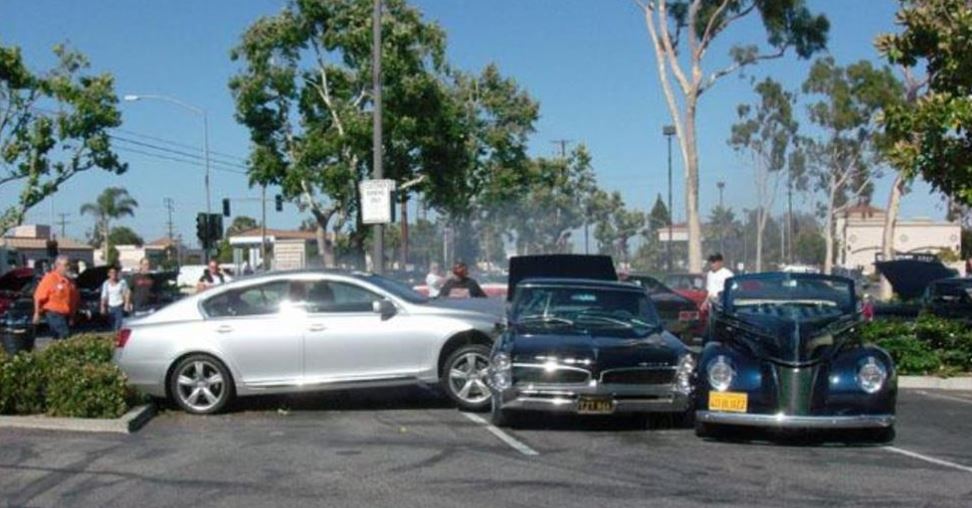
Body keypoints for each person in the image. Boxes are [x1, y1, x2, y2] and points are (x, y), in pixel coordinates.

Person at [32, 255, 80, 340]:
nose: (68, 267)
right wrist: (37, 313)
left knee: (58, 338)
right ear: (58, 266)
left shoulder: (70, 281)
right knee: (64, 335)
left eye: (69, 265)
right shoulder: (50, 278)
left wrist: (72, 316)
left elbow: (73, 299)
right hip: (54, 313)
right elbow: (38, 296)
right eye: (66, 265)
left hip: (66, 313)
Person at [100, 265, 130, 331]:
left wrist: (126, 304)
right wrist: (102, 307)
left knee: (118, 324)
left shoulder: (122, 282)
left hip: (120, 306)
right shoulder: (106, 283)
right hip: (110, 307)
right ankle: (115, 335)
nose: (113, 274)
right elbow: (104, 296)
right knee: (112, 325)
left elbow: (126, 293)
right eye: (111, 272)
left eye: (115, 272)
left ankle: (118, 335)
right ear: (108, 274)